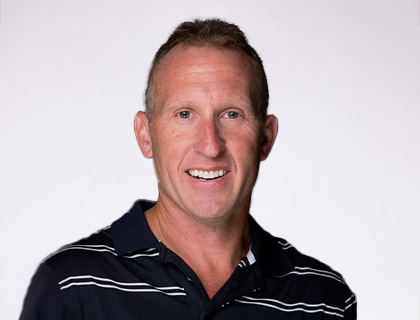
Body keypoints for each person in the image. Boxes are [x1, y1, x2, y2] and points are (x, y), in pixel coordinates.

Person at [20, 18, 357, 319]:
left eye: (232, 114)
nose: (210, 146)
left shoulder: (322, 300)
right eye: (184, 114)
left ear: (266, 138)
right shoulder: (70, 287)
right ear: (146, 135)